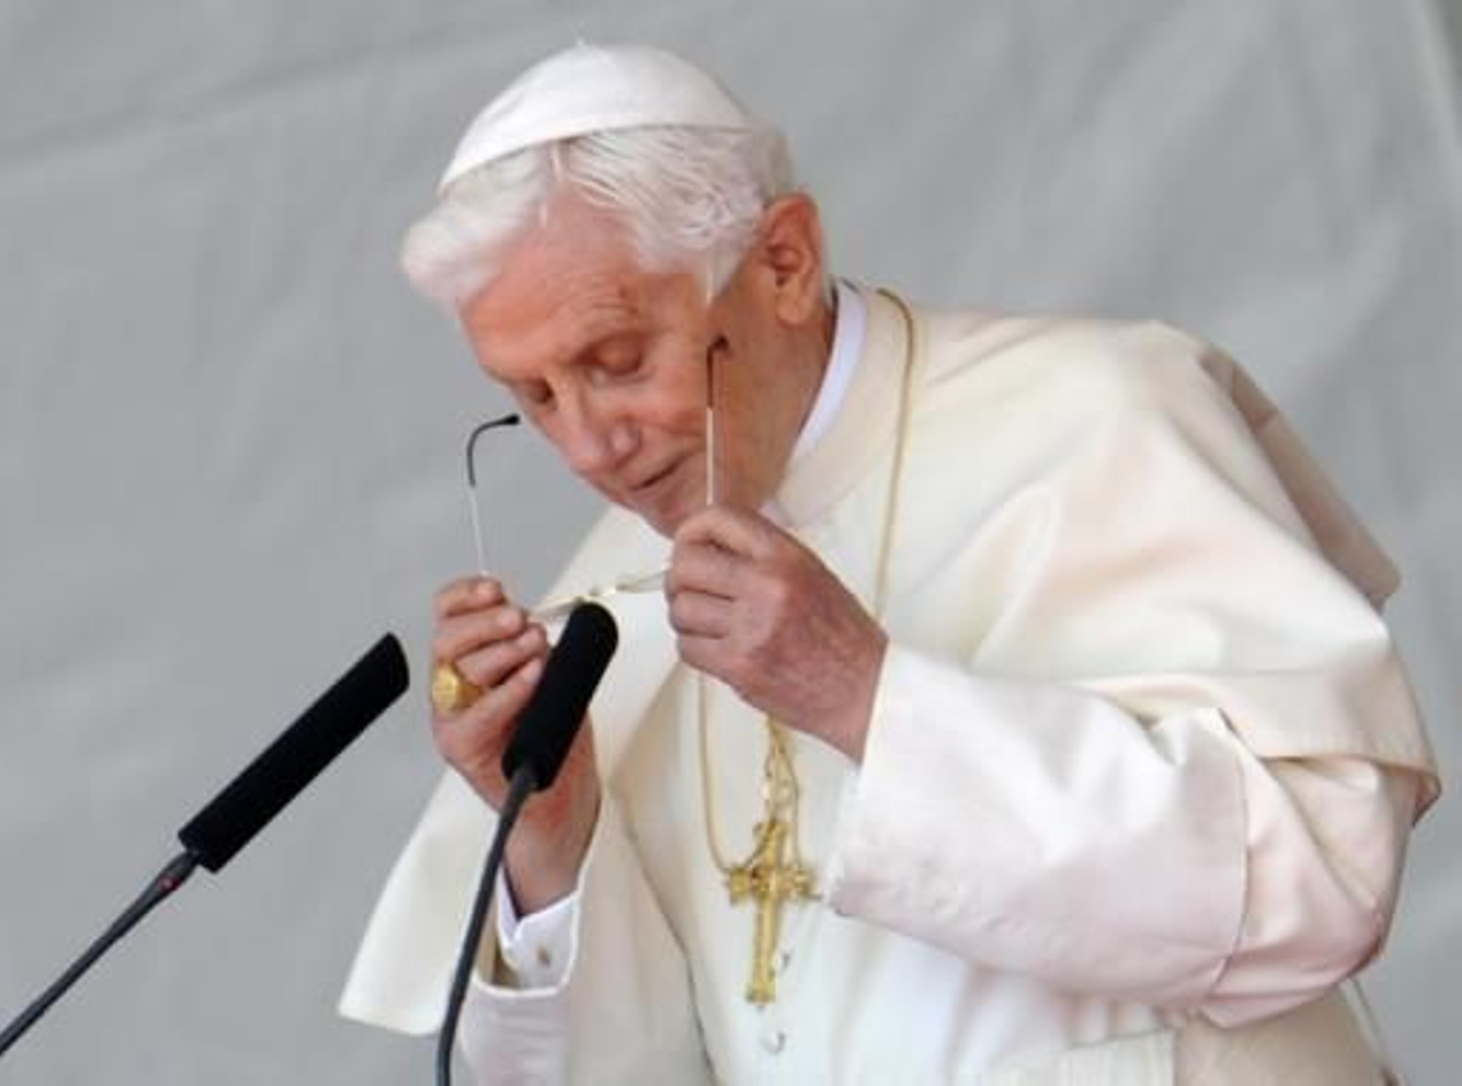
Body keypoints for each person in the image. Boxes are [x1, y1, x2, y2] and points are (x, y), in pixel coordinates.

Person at [340, 43, 1439, 1084]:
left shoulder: (1102, 413)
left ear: (782, 261)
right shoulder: (602, 606)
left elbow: (1321, 882)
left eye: (617, 362)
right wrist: (549, 837)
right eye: (533, 398)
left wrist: (864, 695)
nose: (589, 448)